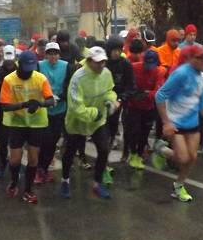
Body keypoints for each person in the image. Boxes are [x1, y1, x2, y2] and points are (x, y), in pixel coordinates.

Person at [151, 45, 203, 202]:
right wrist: (166, 123)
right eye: (199, 57)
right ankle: (161, 149)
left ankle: (178, 186)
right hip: (176, 122)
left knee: (192, 158)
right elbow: (160, 96)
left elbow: (202, 102)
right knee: (182, 158)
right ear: (190, 59)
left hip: (193, 123)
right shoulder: (180, 74)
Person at [61, 46, 118, 199]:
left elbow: (110, 90)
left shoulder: (106, 73)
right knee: (70, 153)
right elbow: (75, 106)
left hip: (98, 122)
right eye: (98, 62)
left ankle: (97, 184)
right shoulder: (78, 77)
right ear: (89, 61)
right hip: (77, 122)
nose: (101, 65)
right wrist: (95, 113)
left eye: (103, 62)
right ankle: (65, 179)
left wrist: (111, 101)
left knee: (104, 150)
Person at [0, 50, 54, 204]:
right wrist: (23, 105)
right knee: (15, 159)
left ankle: (28, 189)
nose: (29, 72)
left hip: (36, 123)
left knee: (33, 159)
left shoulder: (40, 78)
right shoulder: (9, 80)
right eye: (26, 68)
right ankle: (14, 181)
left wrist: (39, 103)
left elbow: (50, 100)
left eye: (32, 68)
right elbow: (4, 106)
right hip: (17, 122)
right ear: (19, 65)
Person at [36, 42, 69, 184]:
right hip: (44, 109)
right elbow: (36, 84)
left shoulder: (66, 66)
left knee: (54, 141)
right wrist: (47, 98)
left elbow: (68, 84)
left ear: (59, 54)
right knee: (45, 141)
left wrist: (60, 97)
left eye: (55, 53)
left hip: (60, 108)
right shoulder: (39, 65)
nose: (53, 56)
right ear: (46, 54)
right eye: (50, 53)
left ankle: (44, 169)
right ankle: (39, 170)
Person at [126, 49, 165, 169]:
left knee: (145, 133)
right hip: (134, 106)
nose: (149, 68)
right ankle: (132, 154)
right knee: (134, 131)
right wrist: (133, 93)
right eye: (147, 64)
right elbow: (128, 83)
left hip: (149, 107)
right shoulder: (134, 67)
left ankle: (139, 154)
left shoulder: (158, 72)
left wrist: (147, 94)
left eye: (152, 65)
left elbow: (158, 90)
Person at [104, 36, 134, 168]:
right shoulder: (104, 63)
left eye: (119, 50)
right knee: (110, 127)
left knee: (127, 126)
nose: (116, 53)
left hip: (123, 99)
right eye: (114, 50)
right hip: (107, 99)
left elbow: (131, 85)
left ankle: (126, 150)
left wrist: (122, 98)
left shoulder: (125, 63)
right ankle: (105, 155)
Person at [0, 45, 17, 178]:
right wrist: (3, 99)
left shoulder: (20, 71)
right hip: (2, 110)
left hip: (18, 110)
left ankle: (15, 165)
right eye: (8, 59)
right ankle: (2, 164)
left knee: (16, 141)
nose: (10, 62)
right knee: (3, 140)